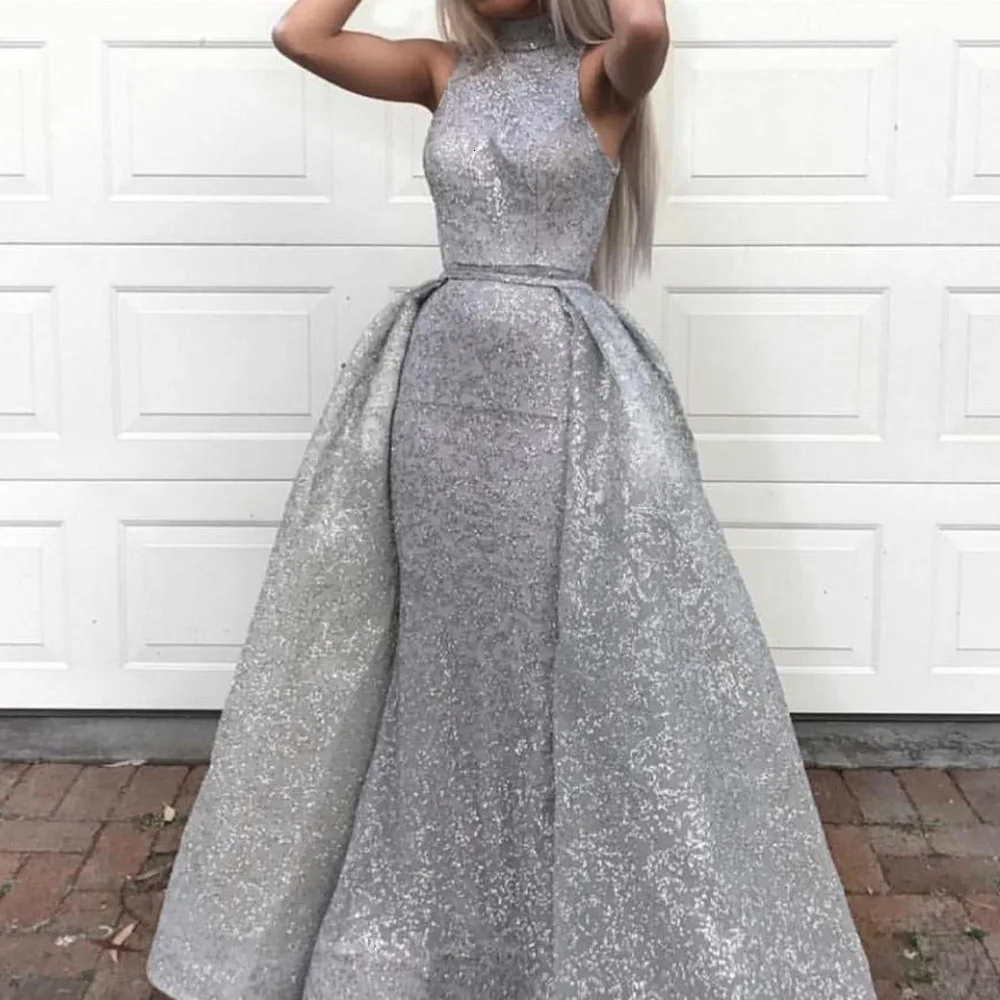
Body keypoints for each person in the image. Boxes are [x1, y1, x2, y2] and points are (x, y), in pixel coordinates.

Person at [146, 0, 879, 997]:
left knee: (543, 648)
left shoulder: (603, 78)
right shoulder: (441, 72)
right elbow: (300, 35)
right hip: (439, 396)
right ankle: (424, 917)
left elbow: (648, 28)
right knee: (441, 647)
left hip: (556, 400)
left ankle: (544, 927)